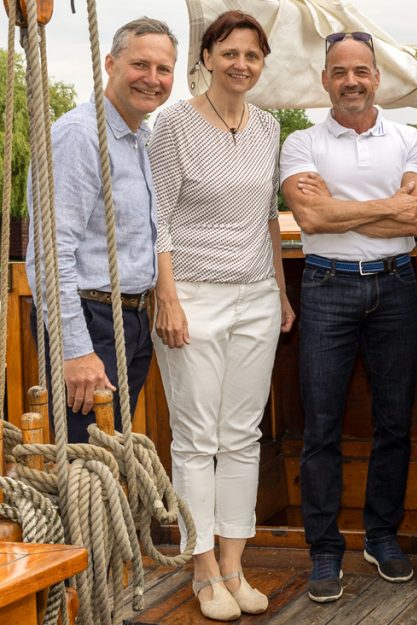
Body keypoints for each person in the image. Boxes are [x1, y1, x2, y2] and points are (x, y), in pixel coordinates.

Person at [280, 30, 417, 602]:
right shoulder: (301, 143)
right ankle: (324, 550)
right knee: (321, 424)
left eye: (361, 71)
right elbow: (310, 219)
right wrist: (388, 205)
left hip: (395, 287)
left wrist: (340, 208)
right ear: (325, 80)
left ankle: (381, 536)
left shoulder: (410, 139)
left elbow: (416, 219)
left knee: (394, 420)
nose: (351, 81)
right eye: (340, 72)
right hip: (327, 286)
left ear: (377, 78)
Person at [148, 11, 292, 621]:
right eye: (229, 53)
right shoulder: (173, 123)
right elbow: (157, 216)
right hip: (192, 294)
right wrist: (168, 295)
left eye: (252, 55)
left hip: (256, 295)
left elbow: (268, 216)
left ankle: (234, 563)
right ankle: (202, 566)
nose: (241, 64)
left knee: (242, 436)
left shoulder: (268, 126)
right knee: (195, 439)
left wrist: (280, 292)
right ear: (206, 58)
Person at [26, 17, 177, 444]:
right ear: (110, 64)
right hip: (90, 323)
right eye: (140, 65)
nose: (152, 79)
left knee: (109, 458)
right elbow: (50, 254)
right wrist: (76, 350)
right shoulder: (79, 137)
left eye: (163, 69)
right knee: (87, 463)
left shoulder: (136, 138)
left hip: (129, 321)